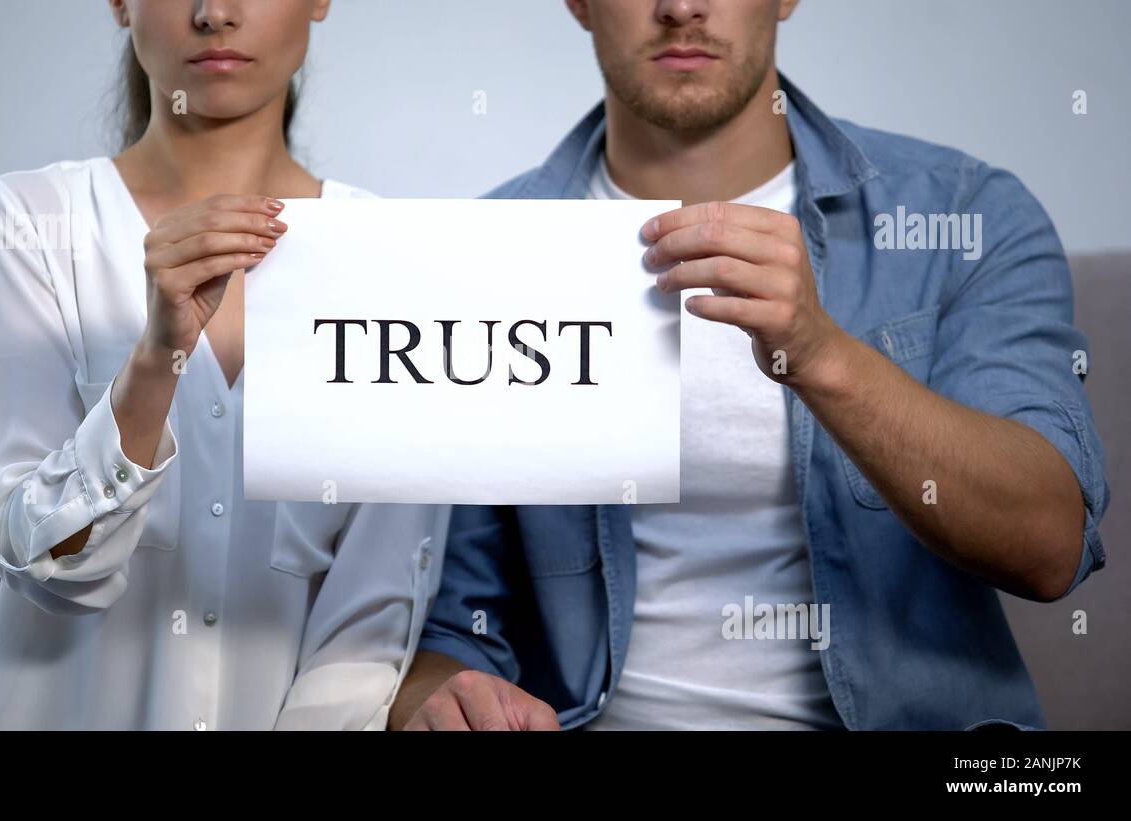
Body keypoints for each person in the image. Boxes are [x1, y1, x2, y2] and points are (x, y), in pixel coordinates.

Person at [391, 0, 1108, 731]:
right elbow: (453, 623)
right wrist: (436, 692)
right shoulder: (483, 254)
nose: (680, 8)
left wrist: (825, 355)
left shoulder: (964, 217)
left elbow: (1049, 549)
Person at [0, 0, 447, 730]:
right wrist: (157, 358)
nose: (215, 13)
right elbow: (42, 565)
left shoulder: (394, 260)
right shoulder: (27, 222)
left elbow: (370, 622)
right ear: (120, 4)